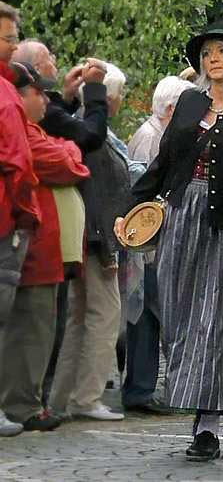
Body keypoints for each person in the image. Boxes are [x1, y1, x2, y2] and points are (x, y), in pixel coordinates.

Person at [117, 22, 223, 463]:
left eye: (222, 50)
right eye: (207, 52)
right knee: (180, 319)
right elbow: (163, 164)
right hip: (179, 222)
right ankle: (191, 399)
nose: (213, 59)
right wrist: (130, 207)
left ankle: (207, 424)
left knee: (216, 323)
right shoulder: (189, 104)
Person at [0, 62, 89, 432]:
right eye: (40, 93)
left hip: (43, 247)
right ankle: (22, 403)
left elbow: (70, 156)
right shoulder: (24, 131)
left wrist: (67, 150)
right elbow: (68, 163)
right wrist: (68, 150)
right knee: (30, 328)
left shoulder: (33, 130)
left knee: (38, 327)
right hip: (30, 244)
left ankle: (26, 401)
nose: (46, 101)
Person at [49, 62, 136, 422]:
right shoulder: (94, 136)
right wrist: (107, 247)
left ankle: (65, 395)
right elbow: (97, 193)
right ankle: (87, 396)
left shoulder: (79, 128)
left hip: (87, 236)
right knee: (102, 316)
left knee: (79, 316)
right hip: (96, 238)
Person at [121, 76, 195, 414]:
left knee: (151, 318)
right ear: (170, 110)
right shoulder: (149, 139)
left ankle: (143, 388)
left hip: (154, 248)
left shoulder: (157, 136)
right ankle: (141, 389)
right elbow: (143, 197)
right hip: (146, 249)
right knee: (149, 317)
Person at [0, 4, 40, 438]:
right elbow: (17, 160)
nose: (14, 45)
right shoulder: (6, 95)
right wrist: (26, 215)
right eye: (9, 38)